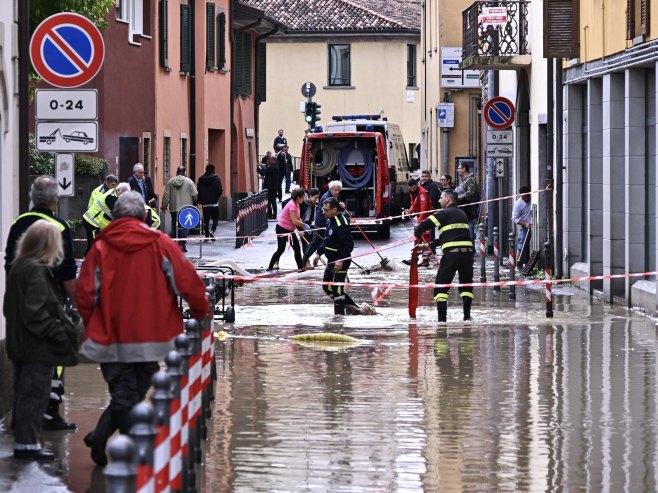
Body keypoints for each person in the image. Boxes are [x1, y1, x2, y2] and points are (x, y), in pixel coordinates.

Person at [77, 191, 209, 467]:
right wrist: (199, 311)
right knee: (133, 392)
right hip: (153, 336)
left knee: (125, 393)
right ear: (144, 216)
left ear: (115, 217)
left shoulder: (100, 247)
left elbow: (85, 294)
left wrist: (94, 323)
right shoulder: (161, 243)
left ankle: (103, 439)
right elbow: (187, 281)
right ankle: (133, 459)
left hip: (111, 337)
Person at [4, 175, 77, 432]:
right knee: (51, 361)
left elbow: (8, 263)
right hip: (49, 302)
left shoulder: (18, 223)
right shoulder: (57, 226)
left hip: (17, 301)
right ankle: (49, 413)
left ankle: (24, 420)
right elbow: (67, 273)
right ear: (55, 199)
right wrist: (78, 306)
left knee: (22, 368)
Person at [415, 190, 475, 323]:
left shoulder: (444, 213)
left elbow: (425, 224)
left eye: (441, 198)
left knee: (441, 287)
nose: (439, 200)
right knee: (466, 286)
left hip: (451, 255)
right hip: (467, 255)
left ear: (448, 199)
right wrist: (427, 246)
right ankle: (467, 317)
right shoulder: (462, 214)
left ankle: (442, 322)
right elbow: (446, 237)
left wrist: (417, 232)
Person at [312, 197, 358, 315]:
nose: (324, 212)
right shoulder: (329, 221)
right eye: (323, 209)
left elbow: (349, 245)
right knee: (326, 287)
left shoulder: (341, 222)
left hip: (340, 261)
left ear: (334, 210)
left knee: (338, 290)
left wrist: (341, 260)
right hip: (331, 260)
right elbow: (327, 240)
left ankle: (339, 320)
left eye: (326, 210)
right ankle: (354, 308)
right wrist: (318, 253)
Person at [302, 180, 343, 267]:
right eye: (335, 190)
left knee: (329, 242)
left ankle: (330, 261)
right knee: (316, 243)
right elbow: (332, 209)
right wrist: (340, 206)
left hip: (329, 223)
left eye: (338, 190)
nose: (337, 192)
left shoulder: (334, 196)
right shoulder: (326, 198)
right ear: (331, 189)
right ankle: (304, 261)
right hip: (321, 223)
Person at [82, 182, 131, 255]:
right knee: (93, 245)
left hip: (98, 224)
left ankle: (92, 262)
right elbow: (118, 215)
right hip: (91, 222)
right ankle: (88, 263)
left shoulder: (114, 194)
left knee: (99, 245)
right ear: (119, 191)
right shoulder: (111, 197)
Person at [266, 188, 307, 272]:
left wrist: (301, 229)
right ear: (298, 198)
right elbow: (294, 221)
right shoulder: (292, 206)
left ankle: (300, 268)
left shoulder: (296, 204)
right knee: (281, 249)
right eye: (303, 197)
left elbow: (298, 218)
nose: (304, 199)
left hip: (290, 229)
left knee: (296, 248)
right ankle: (270, 266)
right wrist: (305, 225)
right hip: (282, 229)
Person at [161, 166, 199, 252]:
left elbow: (166, 195)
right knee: (185, 226)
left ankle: (176, 244)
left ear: (176, 172)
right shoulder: (189, 182)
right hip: (186, 209)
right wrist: (195, 203)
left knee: (175, 226)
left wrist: (164, 206)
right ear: (185, 172)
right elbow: (195, 194)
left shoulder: (170, 182)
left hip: (174, 208)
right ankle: (182, 245)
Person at [404, 178, 432, 267]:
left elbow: (424, 209)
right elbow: (413, 204)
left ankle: (425, 260)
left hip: (427, 217)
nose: (412, 189)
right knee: (417, 238)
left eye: (414, 187)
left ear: (416, 185)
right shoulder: (412, 192)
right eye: (411, 188)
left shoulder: (422, 192)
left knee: (426, 238)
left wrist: (419, 223)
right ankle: (414, 258)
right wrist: (410, 211)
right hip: (420, 217)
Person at [197, 163, 223, 241]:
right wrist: (216, 197)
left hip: (205, 204)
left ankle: (206, 234)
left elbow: (199, 190)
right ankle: (212, 231)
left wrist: (201, 200)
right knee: (215, 218)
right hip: (214, 203)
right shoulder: (217, 178)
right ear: (213, 170)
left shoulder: (201, 179)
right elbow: (220, 190)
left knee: (206, 220)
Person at [454, 162, 479, 241]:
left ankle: (471, 248)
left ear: (464, 169)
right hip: (464, 208)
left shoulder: (470, 179)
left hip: (469, 208)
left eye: (459, 168)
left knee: (470, 228)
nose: (457, 170)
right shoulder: (464, 180)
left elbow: (470, 193)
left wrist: (458, 197)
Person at [512, 185, 532, 268]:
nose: (527, 198)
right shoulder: (518, 204)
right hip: (525, 227)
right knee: (521, 244)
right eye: (525, 196)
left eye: (528, 196)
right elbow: (514, 218)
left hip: (534, 226)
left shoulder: (533, 199)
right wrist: (525, 224)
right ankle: (518, 264)